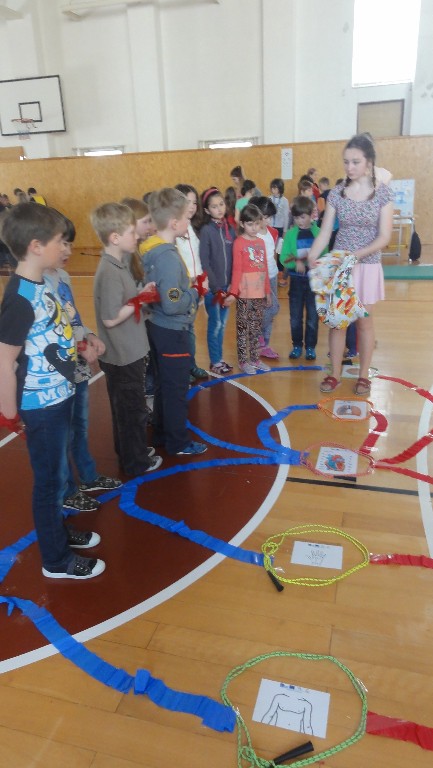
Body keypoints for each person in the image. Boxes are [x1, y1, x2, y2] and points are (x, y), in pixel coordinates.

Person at [0, 203, 105, 579]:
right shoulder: (19, 299)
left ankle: (57, 531)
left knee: (58, 475)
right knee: (48, 483)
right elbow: (4, 362)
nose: (64, 247)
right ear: (35, 246)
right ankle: (56, 560)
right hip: (40, 406)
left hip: (59, 395)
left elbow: (53, 334)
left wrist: (81, 344)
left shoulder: (42, 283)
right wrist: (9, 415)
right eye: (59, 240)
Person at [44, 215, 122, 512]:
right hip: (57, 371)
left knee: (80, 424)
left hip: (75, 364)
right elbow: (49, 334)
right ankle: (67, 491)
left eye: (70, 244)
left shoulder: (63, 278)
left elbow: (72, 318)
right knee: (62, 433)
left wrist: (88, 335)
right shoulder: (38, 287)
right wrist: (79, 344)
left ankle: (88, 476)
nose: (67, 250)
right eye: (61, 243)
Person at [307, 133, 394, 394]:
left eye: (355, 162)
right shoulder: (337, 193)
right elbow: (325, 232)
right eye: (346, 162)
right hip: (341, 266)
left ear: (369, 162)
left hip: (367, 265)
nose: (349, 167)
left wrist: (357, 255)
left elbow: (385, 236)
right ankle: (334, 374)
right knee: (339, 322)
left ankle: (363, 376)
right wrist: (313, 254)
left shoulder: (383, 194)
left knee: (364, 322)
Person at [91, 202, 162, 476]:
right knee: (132, 412)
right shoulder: (109, 271)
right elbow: (110, 318)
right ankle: (136, 462)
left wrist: (140, 293)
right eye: (132, 232)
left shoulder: (118, 265)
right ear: (115, 237)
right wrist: (139, 299)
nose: (137, 236)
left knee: (127, 409)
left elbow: (125, 302)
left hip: (129, 351)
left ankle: (131, 452)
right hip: (123, 356)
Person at [143, 188, 208, 456]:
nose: (188, 222)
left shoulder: (153, 248)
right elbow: (172, 303)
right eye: (186, 218)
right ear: (173, 223)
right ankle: (178, 442)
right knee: (176, 389)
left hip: (157, 327)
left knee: (163, 385)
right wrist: (194, 292)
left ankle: (161, 432)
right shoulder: (168, 257)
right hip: (172, 330)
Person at [281, 196, 327, 361]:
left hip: (314, 282)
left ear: (310, 215)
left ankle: (310, 347)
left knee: (313, 318)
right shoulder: (290, 235)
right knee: (295, 317)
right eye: (296, 218)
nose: (299, 221)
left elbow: (325, 255)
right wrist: (296, 263)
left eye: (302, 217)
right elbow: (283, 258)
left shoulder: (319, 233)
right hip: (296, 282)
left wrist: (316, 263)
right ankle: (297, 345)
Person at [199, 187, 236, 375]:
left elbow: (235, 259)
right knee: (216, 325)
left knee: (222, 326)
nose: (219, 209)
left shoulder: (230, 229)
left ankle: (219, 359)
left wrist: (232, 286)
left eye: (221, 204)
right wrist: (216, 288)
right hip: (213, 291)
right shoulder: (206, 231)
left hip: (227, 288)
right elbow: (205, 262)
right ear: (207, 210)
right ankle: (215, 361)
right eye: (214, 206)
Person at [231, 204, 271, 374]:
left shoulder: (261, 242)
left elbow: (265, 268)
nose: (254, 228)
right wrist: (234, 292)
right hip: (244, 294)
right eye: (250, 224)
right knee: (243, 328)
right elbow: (236, 270)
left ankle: (254, 358)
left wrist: (267, 291)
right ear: (242, 224)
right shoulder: (239, 243)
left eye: (256, 224)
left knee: (255, 327)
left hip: (259, 293)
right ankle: (243, 361)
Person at [174, 183, 208, 383]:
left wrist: (202, 279)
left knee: (190, 328)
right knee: (181, 329)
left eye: (195, 202)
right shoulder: (174, 230)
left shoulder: (195, 228)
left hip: (196, 287)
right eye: (187, 202)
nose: (192, 206)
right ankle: (182, 368)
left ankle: (190, 364)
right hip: (182, 287)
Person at [250, 195, 280, 359]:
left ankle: (264, 345)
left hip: (273, 275)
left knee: (270, 310)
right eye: (265, 217)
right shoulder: (253, 236)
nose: (268, 220)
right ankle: (254, 333)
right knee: (272, 307)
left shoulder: (272, 233)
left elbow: (273, 254)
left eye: (270, 217)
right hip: (261, 279)